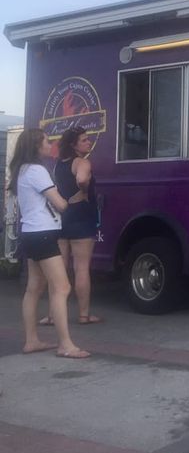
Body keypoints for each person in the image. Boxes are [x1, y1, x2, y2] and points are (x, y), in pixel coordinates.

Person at [7, 128, 90, 358]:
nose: (49, 143)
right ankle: (65, 345)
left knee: (34, 288)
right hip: (44, 233)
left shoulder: (22, 170)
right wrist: (73, 198)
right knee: (62, 287)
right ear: (36, 146)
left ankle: (31, 340)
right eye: (45, 140)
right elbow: (60, 205)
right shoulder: (38, 171)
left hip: (30, 233)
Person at [40, 126, 102, 325]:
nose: (88, 142)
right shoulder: (82, 162)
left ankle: (52, 314)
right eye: (84, 140)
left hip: (62, 217)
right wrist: (83, 190)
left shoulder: (58, 165)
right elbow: (82, 178)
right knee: (81, 268)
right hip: (81, 216)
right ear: (74, 145)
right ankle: (84, 315)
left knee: (59, 269)